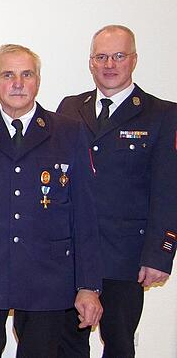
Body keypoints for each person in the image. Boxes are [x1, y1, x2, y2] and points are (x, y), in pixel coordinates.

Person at [0, 44, 103, 357]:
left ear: (38, 81)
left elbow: (85, 215)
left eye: (26, 75)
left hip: (48, 276)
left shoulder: (68, 132)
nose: (18, 83)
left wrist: (88, 285)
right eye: (8, 75)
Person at [57, 25, 177, 357]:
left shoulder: (162, 114)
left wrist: (159, 253)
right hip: (72, 253)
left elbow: (168, 189)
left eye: (119, 56)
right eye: (102, 56)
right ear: (91, 62)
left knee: (120, 342)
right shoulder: (70, 108)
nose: (110, 64)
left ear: (134, 60)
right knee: (66, 342)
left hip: (124, 255)